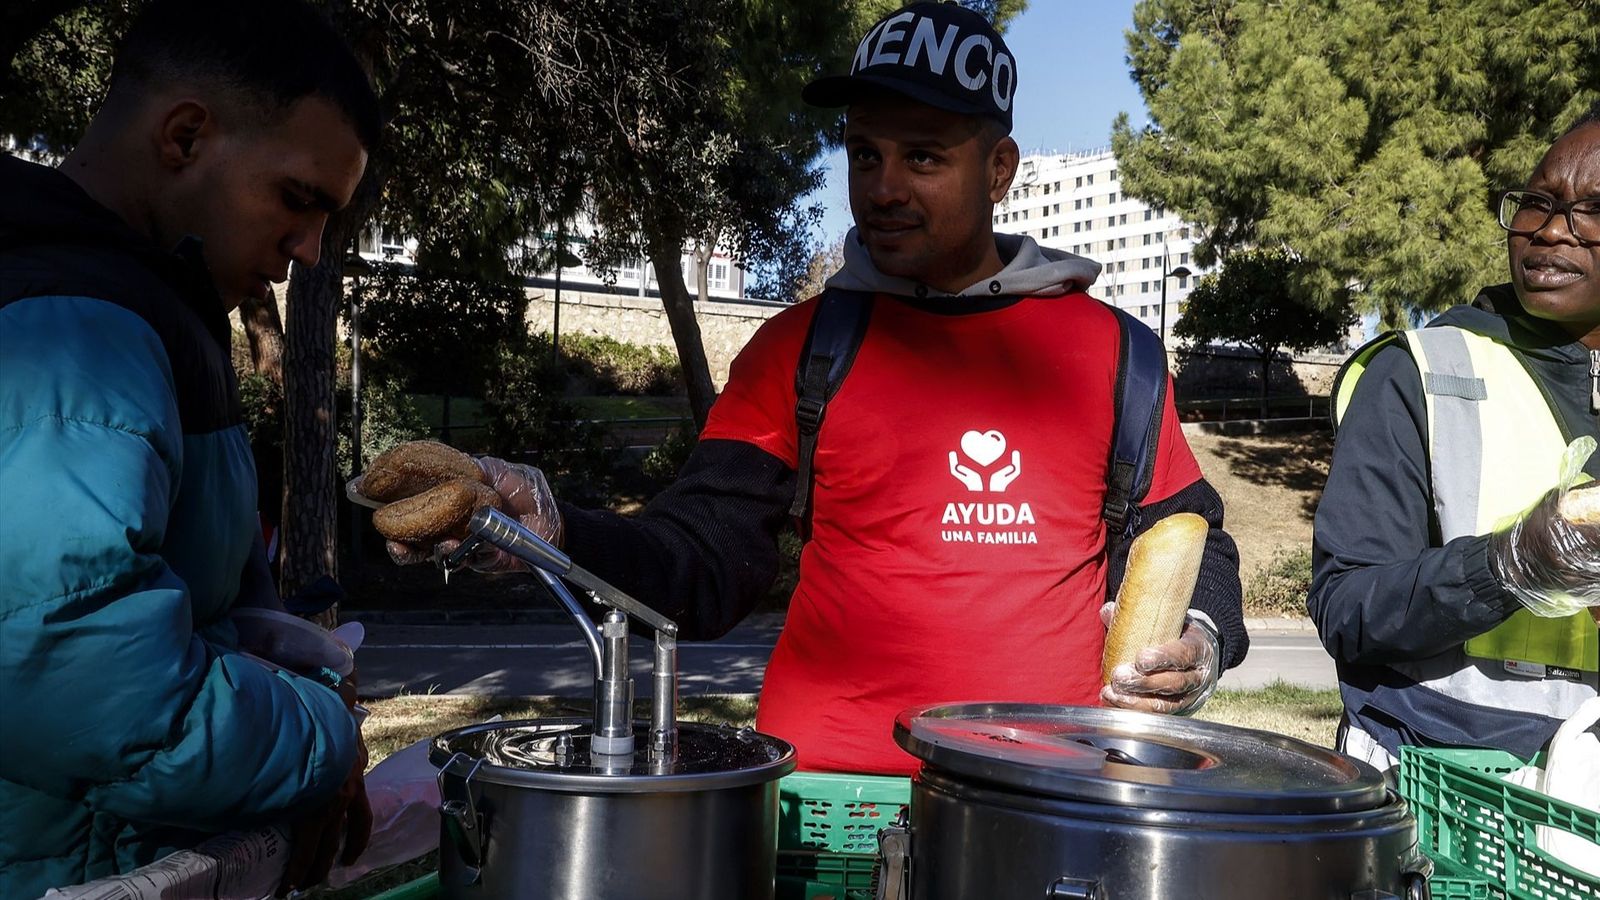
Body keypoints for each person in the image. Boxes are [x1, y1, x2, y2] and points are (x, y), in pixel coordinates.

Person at [389, 1, 1247, 775]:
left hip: (1045, 804)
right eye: (864, 152)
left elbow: (1189, 536)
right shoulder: (801, 350)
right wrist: (554, 530)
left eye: (922, 156)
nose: (883, 188)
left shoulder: (1114, 353)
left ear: (999, 170)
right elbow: (701, 558)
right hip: (822, 792)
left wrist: (1199, 642)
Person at [0, 1, 383, 895]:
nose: (306, 251)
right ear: (183, 136)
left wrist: (263, 637)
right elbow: (78, 667)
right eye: (298, 200)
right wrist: (325, 739)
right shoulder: (76, 324)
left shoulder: (148, 303)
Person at [1310, 106, 1600, 775]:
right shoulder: (1423, 371)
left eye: (1593, 210)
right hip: (1445, 794)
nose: (1552, 230)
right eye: (1538, 202)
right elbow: (1346, 606)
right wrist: (1507, 565)